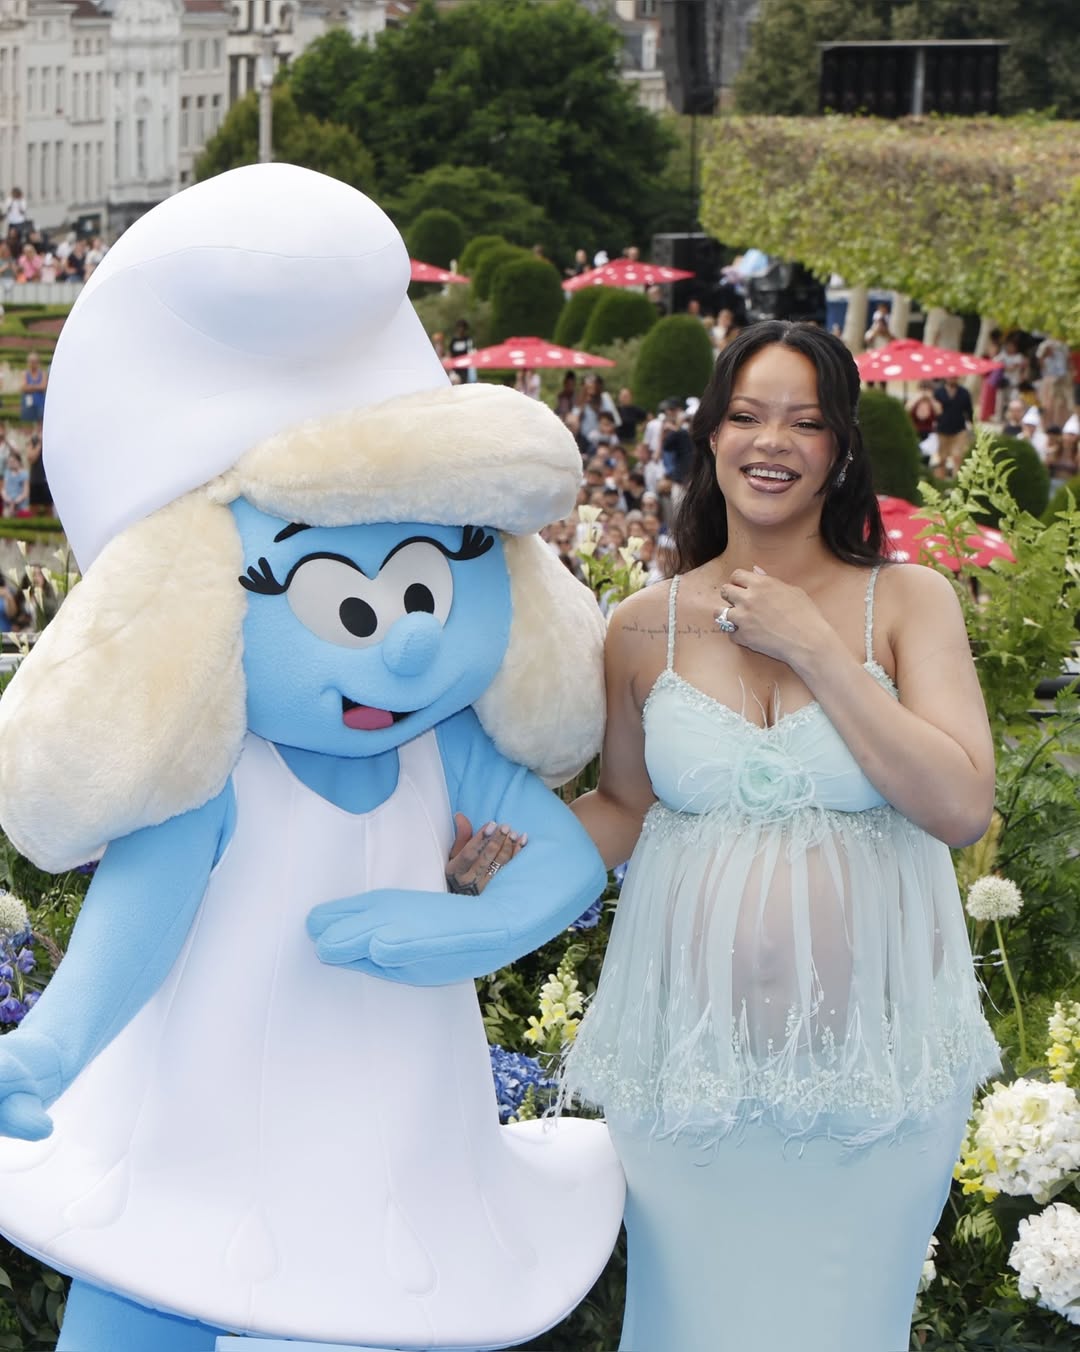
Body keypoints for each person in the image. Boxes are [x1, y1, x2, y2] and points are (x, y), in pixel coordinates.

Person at [558, 321, 999, 1352]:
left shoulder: (909, 601)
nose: (772, 442)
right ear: (711, 435)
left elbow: (959, 804)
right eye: (749, 416)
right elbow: (622, 807)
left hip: (875, 1088)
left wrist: (816, 649)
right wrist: (494, 855)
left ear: (840, 448)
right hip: (687, 1082)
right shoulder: (642, 624)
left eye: (804, 421)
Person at [932, 375, 974, 475]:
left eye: (955, 377)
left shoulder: (964, 393)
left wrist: (973, 425)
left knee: (958, 457)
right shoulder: (938, 392)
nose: (952, 379)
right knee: (941, 459)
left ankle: (957, 480)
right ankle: (940, 479)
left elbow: (969, 411)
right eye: (951, 377)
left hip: (959, 430)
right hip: (942, 430)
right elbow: (934, 411)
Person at [20, 351, 46, 424]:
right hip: (28, 403)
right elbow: (23, 387)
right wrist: (37, 386)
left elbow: (43, 387)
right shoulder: (25, 373)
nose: (32, 364)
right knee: (28, 423)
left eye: (34, 362)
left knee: (40, 421)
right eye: (31, 362)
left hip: (40, 402)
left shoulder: (42, 373)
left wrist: (31, 386)